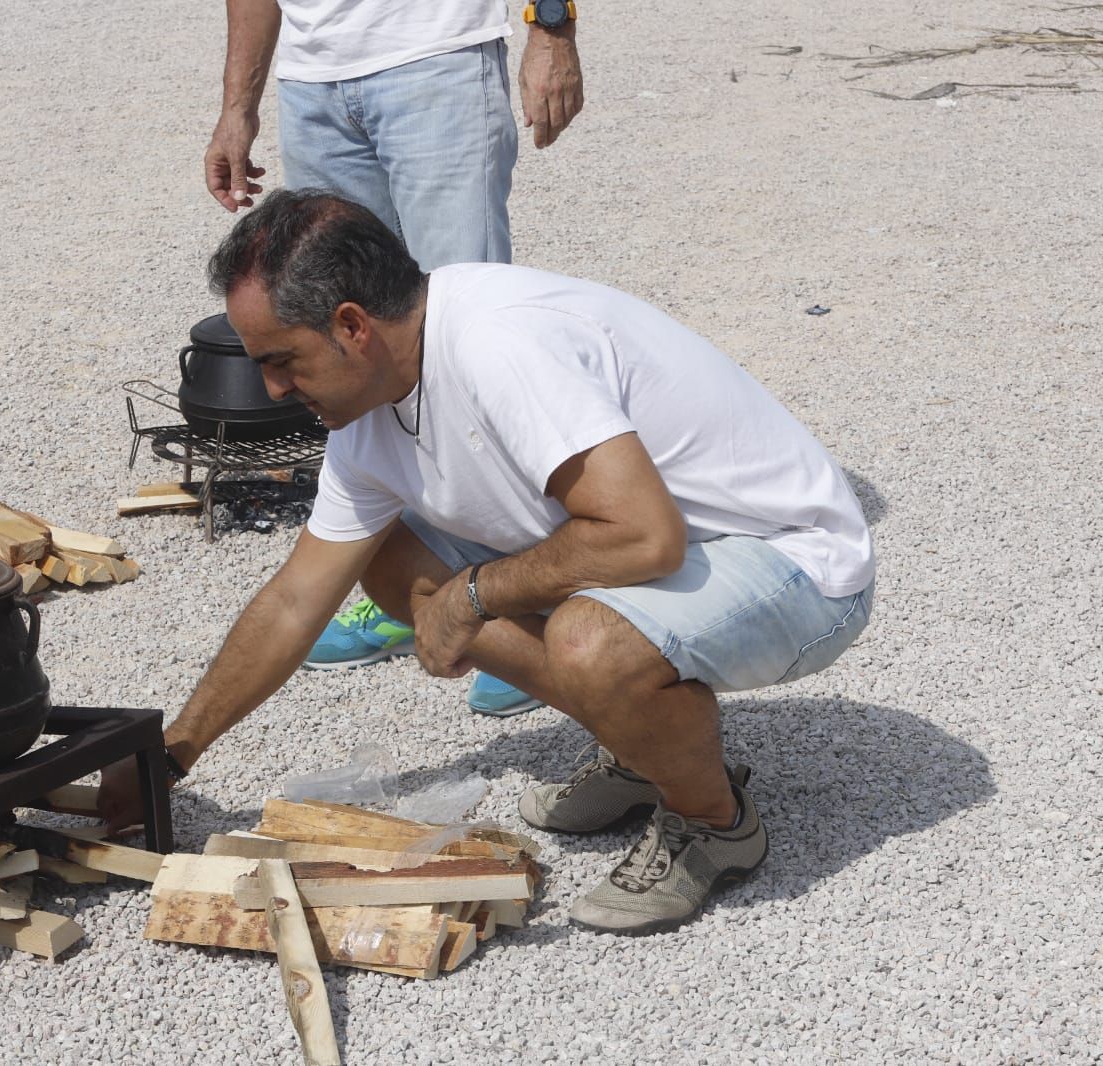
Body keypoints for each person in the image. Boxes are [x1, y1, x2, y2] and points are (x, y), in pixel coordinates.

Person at [102, 191, 876, 935]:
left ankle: (715, 822)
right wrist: (175, 752)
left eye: (281, 360)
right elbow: (297, 600)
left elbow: (645, 539)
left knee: (588, 640)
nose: (271, 387)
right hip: (673, 550)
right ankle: (647, 751)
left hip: (793, 559)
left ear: (351, 325)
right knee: (388, 563)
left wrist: (474, 592)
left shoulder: (499, 342)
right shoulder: (366, 413)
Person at [205, 0, 585, 716]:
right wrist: (239, 105)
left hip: (435, 57)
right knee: (346, 351)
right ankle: (413, 585)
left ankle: (523, 605)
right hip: (314, 81)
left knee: (457, 343)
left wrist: (552, 30)